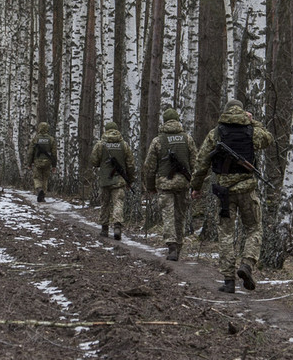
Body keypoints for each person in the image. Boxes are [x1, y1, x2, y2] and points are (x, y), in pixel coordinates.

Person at [190, 99, 273, 293]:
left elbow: (202, 161)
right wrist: (253, 122)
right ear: (243, 113)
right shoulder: (252, 131)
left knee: (226, 234)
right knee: (253, 228)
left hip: (223, 191)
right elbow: (268, 138)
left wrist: (196, 186)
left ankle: (228, 280)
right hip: (247, 189)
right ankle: (247, 264)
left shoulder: (216, 133)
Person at [142, 108, 197, 261]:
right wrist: (195, 184)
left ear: (164, 121)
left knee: (168, 215)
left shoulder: (158, 141)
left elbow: (149, 167)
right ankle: (178, 246)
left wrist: (150, 186)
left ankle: (171, 245)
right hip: (183, 184)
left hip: (164, 184)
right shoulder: (187, 139)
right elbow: (195, 163)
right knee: (180, 216)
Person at [89, 121, 136, 240]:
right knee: (118, 203)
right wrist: (130, 179)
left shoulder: (100, 144)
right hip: (119, 180)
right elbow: (130, 164)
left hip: (105, 180)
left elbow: (94, 161)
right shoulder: (123, 145)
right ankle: (117, 227)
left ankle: (104, 229)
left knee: (104, 204)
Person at [27, 122, 57, 202]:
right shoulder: (51, 139)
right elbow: (54, 154)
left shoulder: (35, 139)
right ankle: (43, 195)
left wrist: (29, 163)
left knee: (36, 177)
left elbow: (30, 152)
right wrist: (54, 165)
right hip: (47, 162)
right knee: (45, 179)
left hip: (37, 162)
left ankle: (39, 189)